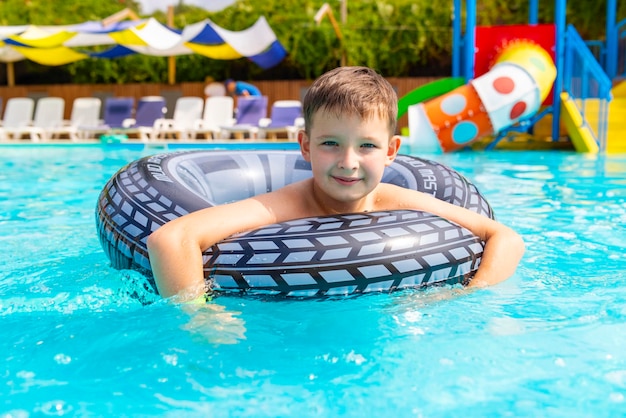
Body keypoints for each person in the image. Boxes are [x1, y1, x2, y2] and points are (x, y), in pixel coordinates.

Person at [147, 66, 525, 300]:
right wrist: (198, 318)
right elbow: (170, 239)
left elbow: (506, 238)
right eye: (330, 144)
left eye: (367, 146)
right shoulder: (284, 206)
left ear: (392, 150)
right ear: (305, 146)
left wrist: (466, 298)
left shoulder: (398, 200)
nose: (349, 163)